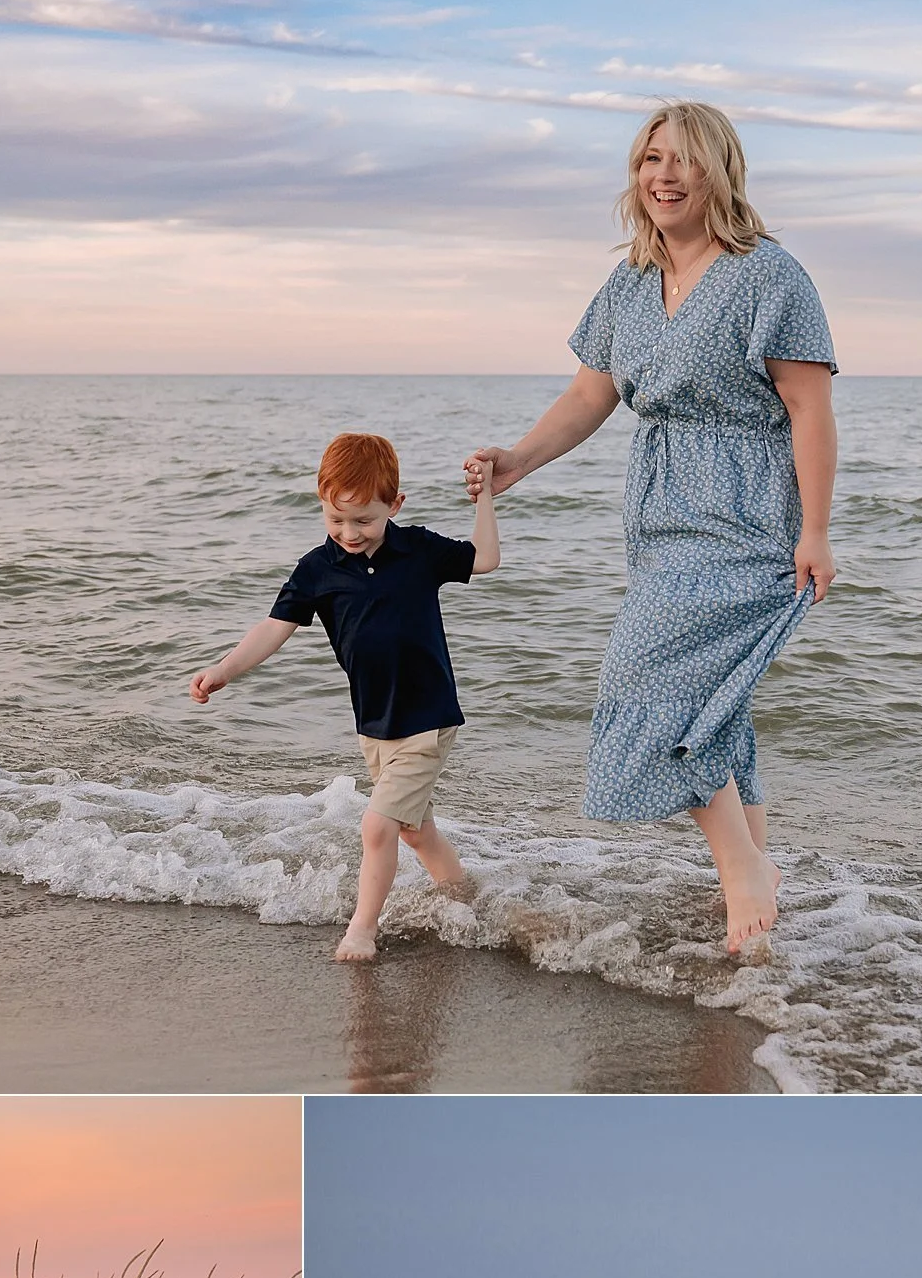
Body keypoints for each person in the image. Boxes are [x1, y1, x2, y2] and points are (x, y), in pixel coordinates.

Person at [464, 103, 836, 956]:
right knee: (714, 700)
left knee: (642, 678)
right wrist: (519, 461)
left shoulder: (770, 276)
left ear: (720, 173)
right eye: (650, 160)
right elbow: (592, 394)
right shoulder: (630, 280)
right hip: (661, 514)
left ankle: (742, 868)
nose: (664, 177)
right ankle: (753, 878)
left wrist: (815, 531)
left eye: (684, 161)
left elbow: (810, 409)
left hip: (745, 510)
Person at [190, 431, 500, 961]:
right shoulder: (318, 568)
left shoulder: (419, 550)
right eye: (336, 520)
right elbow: (274, 627)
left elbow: (486, 559)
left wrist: (485, 496)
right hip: (375, 723)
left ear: (394, 506)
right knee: (414, 832)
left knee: (377, 825)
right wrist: (224, 669)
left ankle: (362, 928)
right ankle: (468, 900)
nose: (349, 533)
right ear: (322, 505)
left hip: (428, 717)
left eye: (364, 520)